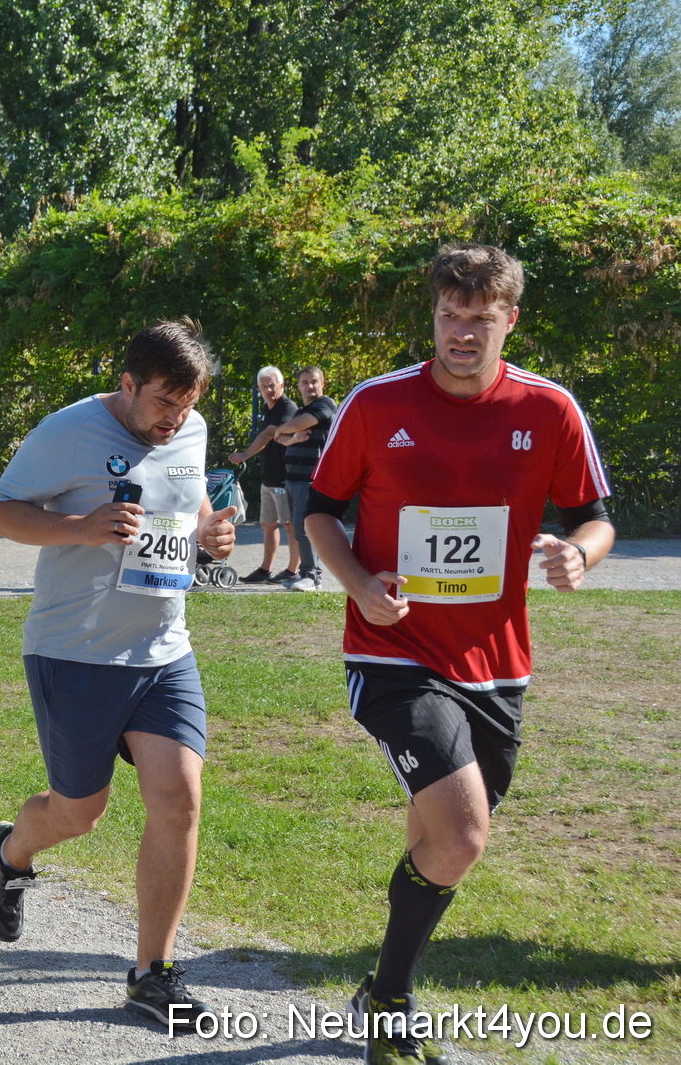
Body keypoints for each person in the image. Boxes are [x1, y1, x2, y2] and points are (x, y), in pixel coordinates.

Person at [303, 244, 613, 1065]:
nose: (462, 333)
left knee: (439, 835)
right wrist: (360, 580)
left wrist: (581, 553)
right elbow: (321, 513)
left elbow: (593, 515)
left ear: (509, 319)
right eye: (449, 316)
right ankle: (394, 1004)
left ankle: (377, 989)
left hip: (498, 663)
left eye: (480, 318)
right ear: (433, 317)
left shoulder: (550, 409)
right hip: (393, 650)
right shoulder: (375, 404)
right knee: (464, 832)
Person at [0, 319, 240, 1032]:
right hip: (75, 651)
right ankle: (11, 851)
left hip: (162, 648)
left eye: (187, 405)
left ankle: (151, 973)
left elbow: (192, 512)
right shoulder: (68, 431)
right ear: (128, 384)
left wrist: (212, 535)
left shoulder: (191, 429)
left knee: (180, 796)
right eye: (163, 402)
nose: (175, 419)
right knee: (79, 813)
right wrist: (80, 528)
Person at [227, 366, 301, 583]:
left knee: (290, 525)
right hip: (268, 478)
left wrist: (244, 455)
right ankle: (265, 570)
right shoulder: (269, 409)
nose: (269, 389)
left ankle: (292, 571)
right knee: (268, 525)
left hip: (285, 478)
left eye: (273, 385)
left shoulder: (288, 408)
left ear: (282, 386)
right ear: (259, 388)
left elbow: (269, 434)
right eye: (264, 386)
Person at [271, 364, 337, 592]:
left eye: (314, 381)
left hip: (311, 479)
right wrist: (292, 438)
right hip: (292, 479)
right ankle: (304, 573)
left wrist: (283, 430)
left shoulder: (325, 405)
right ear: (298, 386)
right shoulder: (299, 411)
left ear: (322, 383)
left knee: (305, 526)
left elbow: (297, 426)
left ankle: (312, 576)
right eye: (305, 382)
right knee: (298, 527)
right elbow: (282, 439)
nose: (310, 386)